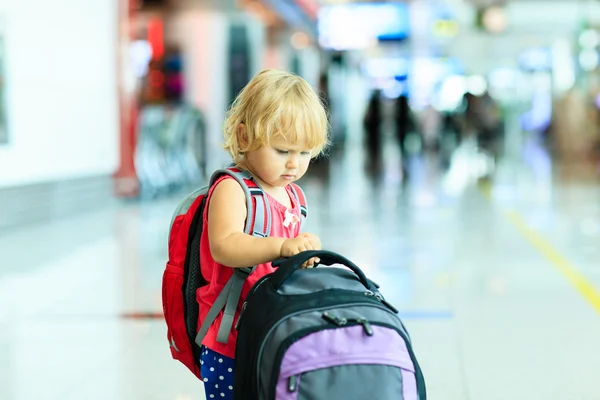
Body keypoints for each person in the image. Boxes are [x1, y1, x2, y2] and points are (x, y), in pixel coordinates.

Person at [198, 69, 329, 400]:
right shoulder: (233, 188)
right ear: (244, 137)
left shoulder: (294, 196)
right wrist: (282, 247)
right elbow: (225, 246)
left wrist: (301, 260)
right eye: (282, 150)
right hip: (231, 340)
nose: (294, 165)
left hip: (274, 329)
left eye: (304, 153)